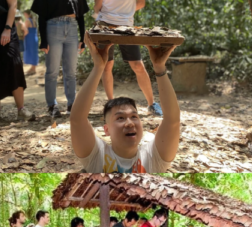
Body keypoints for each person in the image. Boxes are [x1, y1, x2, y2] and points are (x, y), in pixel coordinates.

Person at [70, 33, 179, 173]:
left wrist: (159, 68)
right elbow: (77, 119)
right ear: (106, 130)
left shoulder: (152, 157)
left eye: (134, 116)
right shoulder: (97, 156)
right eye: (120, 118)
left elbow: (172, 120)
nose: (130, 123)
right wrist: (98, 67)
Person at [92, 0, 159, 116]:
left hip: (127, 26)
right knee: (106, 65)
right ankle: (110, 104)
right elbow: (96, 9)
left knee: (137, 65)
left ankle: (152, 104)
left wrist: (124, 14)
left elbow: (141, 2)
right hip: (104, 25)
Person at [30, 0, 88, 118]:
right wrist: (44, 40)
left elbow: (81, 16)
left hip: (72, 29)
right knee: (52, 71)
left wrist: (83, 39)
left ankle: (72, 104)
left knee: (70, 71)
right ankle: (52, 105)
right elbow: (41, 17)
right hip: (53, 29)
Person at [22, 10, 38, 75]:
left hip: (29, 38)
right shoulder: (34, 20)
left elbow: (26, 31)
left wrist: (22, 37)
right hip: (35, 37)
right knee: (33, 52)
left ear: (26, 14)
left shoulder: (27, 20)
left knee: (30, 52)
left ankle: (33, 69)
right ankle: (33, 68)